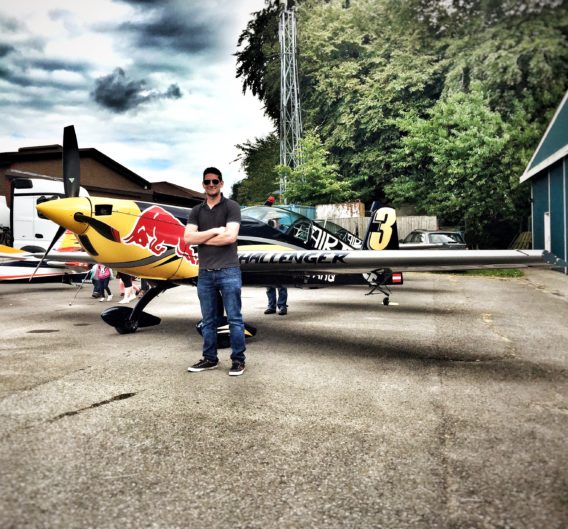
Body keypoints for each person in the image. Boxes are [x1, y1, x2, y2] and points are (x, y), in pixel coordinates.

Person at [184, 167, 246, 376]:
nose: (211, 185)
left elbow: (230, 238)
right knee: (208, 320)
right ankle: (209, 358)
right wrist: (213, 231)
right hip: (205, 273)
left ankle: (238, 360)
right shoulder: (196, 211)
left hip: (229, 271)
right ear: (203, 184)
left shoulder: (232, 206)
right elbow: (188, 238)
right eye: (207, 181)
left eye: (215, 181)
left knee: (235, 319)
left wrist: (203, 237)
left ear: (221, 183)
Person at [264, 194, 288, 316]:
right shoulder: (266, 229)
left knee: (281, 283)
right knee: (269, 284)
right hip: (268, 257)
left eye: (276, 221)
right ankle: (271, 306)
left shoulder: (283, 230)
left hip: (279, 258)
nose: (275, 223)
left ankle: (282, 306)